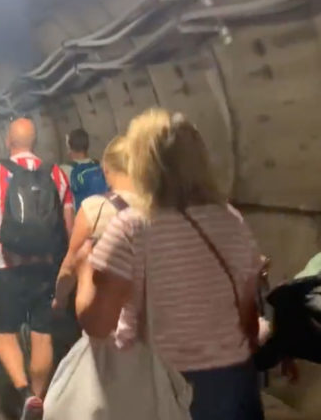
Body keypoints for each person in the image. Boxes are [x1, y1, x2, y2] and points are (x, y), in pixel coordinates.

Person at [82, 109, 264, 420]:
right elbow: (248, 317)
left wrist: (85, 268)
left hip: (163, 384)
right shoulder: (231, 219)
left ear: (142, 163)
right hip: (233, 383)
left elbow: (97, 324)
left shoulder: (132, 228)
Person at [0, 118, 74, 420]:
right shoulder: (56, 174)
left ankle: (24, 392)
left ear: (8, 141)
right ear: (35, 141)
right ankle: (39, 397)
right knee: (42, 334)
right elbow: (69, 225)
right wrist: (68, 265)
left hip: (7, 266)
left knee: (5, 333)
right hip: (46, 267)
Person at [52, 135, 137, 308]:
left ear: (106, 169)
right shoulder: (158, 205)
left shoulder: (93, 208)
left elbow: (70, 265)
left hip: (108, 307)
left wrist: (59, 300)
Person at [63, 128, 108, 212]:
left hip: (81, 214)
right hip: (101, 211)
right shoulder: (99, 165)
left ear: (69, 147)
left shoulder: (64, 170)